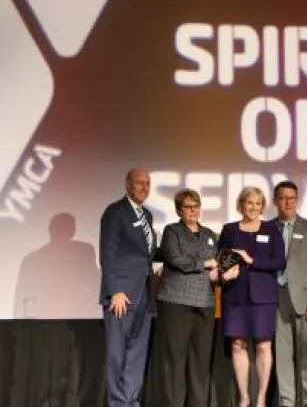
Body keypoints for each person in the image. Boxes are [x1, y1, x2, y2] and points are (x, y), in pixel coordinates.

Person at [218, 186, 286, 407]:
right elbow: (220, 260)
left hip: (263, 298)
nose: (253, 207)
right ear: (240, 204)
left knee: (263, 346)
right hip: (235, 296)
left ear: (263, 206)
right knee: (238, 345)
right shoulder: (229, 230)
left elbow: (279, 262)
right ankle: (244, 398)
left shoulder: (271, 229)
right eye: (249, 202)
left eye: (258, 203)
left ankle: (261, 398)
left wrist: (251, 260)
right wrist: (224, 272)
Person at [153, 188, 220, 407]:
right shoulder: (172, 231)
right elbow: (174, 258)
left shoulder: (210, 234)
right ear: (179, 210)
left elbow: (217, 262)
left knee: (201, 360)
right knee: (175, 358)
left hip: (205, 302)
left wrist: (221, 270)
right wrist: (204, 264)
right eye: (188, 206)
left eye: (196, 205)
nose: (193, 210)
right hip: (176, 302)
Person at [99, 168, 157, 407]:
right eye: (140, 183)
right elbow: (107, 254)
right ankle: (117, 401)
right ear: (128, 185)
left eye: (148, 183)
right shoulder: (115, 212)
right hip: (121, 295)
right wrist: (115, 291)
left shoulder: (148, 216)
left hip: (144, 292)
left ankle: (131, 399)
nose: (145, 187)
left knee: (137, 351)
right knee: (117, 351)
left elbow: (146, 254)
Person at [270, 180, 307, 407]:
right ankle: (286, 400)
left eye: (292, 198)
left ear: (297, 200)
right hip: (276, 299)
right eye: (283, 198)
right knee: (282, 355)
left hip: (305, 301)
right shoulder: (267, 228)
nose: (287, 202)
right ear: (275, 201)